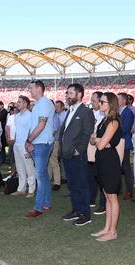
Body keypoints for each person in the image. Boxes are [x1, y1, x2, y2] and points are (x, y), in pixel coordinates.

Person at [59, 83, 95, 226]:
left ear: (79, 94)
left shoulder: (86, 111)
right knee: (72, 185)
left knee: (81, 185)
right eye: (67, 93)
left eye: (70, 93)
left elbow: (87, 132)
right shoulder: (71, 110)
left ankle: (85, 214)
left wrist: (78, 150)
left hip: (77, 155)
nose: (67, 96)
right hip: (67, 154)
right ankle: (76, 210)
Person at [90, 92, 122, 242]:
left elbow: (101, 144)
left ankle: (113, 231)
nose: (100, 104)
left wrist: (98, 140)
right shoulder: (104, 120)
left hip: (110, 161)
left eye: (103, 102)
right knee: (107, 196)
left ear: (111, 105)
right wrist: (99, 140)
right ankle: (107, 228)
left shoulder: (113, 121)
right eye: (100, 102)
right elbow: (95, 141)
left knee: (112, 197)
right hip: (102, 159)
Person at [24, 80, 56, 219]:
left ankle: (38, 207)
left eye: (31, 88)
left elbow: (41, 125)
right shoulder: (39, 104)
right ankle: (46, 203)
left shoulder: (43, 103)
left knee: (40, 176)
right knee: (42, 175)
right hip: (39, 143)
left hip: (42, 144)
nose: (29, 90)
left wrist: (29, 140)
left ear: (38, 88)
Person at [12, 96, 36, 197]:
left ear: (26, 104)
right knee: (20, 168)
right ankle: (21, 188)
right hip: (17, 144)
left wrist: (29, 143)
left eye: (20, 102)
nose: (17, 104)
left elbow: (32, 131)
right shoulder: (16, 116)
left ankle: (31, 189)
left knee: (29, 168)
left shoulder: (31, 115)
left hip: (25, 145)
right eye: (17, 102)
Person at [88, 91, 107, 214]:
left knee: (102, 176)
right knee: (92, 174)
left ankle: (103, 203)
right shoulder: (93, 113)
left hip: (102, 147)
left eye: (94, 100)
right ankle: (91, 198)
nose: (92, 102)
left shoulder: (105, 116)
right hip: (92, 146)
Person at [117, 92, 135, 200]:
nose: (117, 101)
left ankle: (129, 191)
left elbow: (125, 129)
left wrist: (112, 132)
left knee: (126, 168)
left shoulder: (127, 112)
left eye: (118, 99)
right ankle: (119, 189)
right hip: (119, 143)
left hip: (124, 143)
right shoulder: (118, 111)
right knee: (118, 168)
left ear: (124, 101)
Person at [50, 100, 67, 190]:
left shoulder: (54, 117)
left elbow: (55, 130)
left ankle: (57, 182)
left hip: (54, 141)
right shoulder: (52, 116)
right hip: (50, 141)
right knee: (49, 162)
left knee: (54, 162)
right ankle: (50, 180)